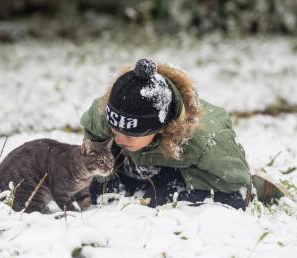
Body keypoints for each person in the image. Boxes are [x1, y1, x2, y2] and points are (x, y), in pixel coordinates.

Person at [80, 58, 251, 210]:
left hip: (184, 168)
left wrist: (177, 180)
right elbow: (94, 135)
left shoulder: (206, 139)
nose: (118, 138)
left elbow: (236, 181)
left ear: (161, 128)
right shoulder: (105, 112)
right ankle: (138, 178)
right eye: (114, 129)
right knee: (95, 192)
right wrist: (108, 179)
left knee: (159, 200)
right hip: (137, 161)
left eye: (130, 134)